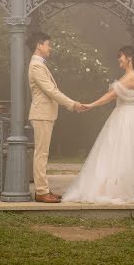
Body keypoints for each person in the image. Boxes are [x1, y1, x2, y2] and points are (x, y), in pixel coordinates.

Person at [61, 45, 134, 204]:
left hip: (126, 118)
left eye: (120, 56)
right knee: (114, 152)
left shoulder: (130, 78)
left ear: (129, 58)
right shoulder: (128, 76)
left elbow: (110, 96)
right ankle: (111, 186)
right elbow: (111, 95)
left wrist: (91, 105)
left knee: (121, 153)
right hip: (122, 115)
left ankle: (114, 189)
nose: (118, 59)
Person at [27, 31, 85, 203]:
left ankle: (43, 189)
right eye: (47, 44)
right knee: (41, 154)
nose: (49, 47)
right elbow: (51, 91)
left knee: (43, 154)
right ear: (39, 45)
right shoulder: (36, 66)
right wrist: (72, 104)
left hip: (45, 114)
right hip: (41, 114)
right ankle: (41, 192)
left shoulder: (40, 65)